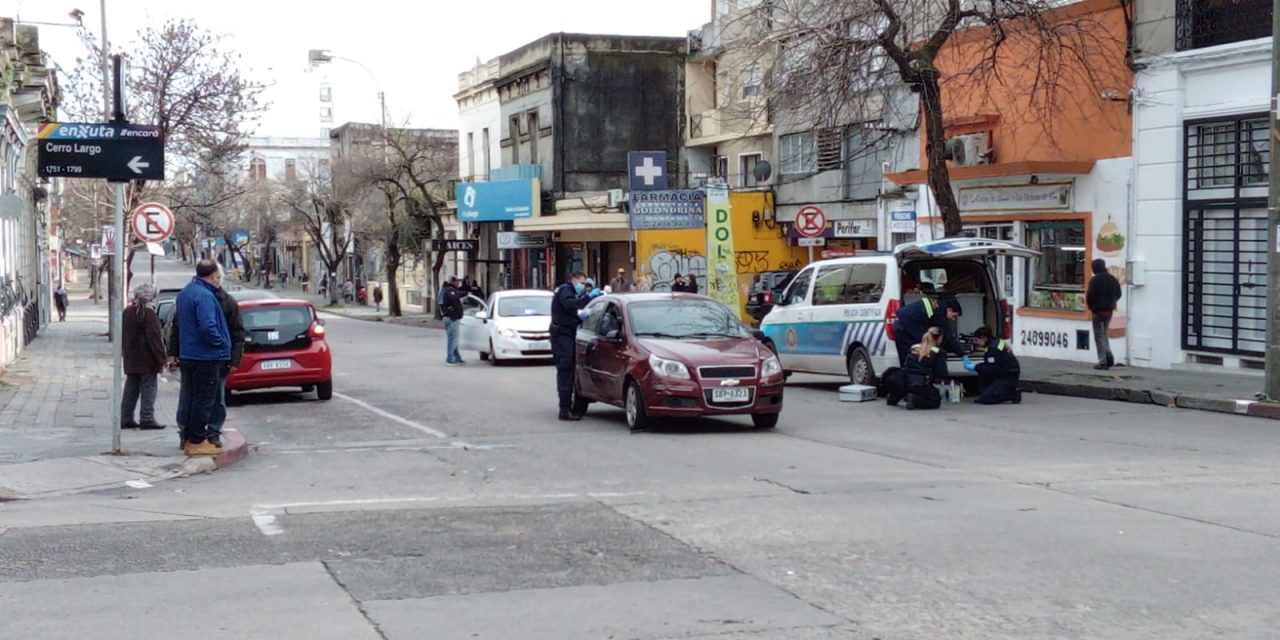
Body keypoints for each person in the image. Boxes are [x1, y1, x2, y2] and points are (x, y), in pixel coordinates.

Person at [171, 259, 231, 456]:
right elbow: (208, 327)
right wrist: (221, 343)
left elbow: (178, 324)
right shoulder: (205, 296)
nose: (219, 281)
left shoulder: (186, 292)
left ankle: (188, 437)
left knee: (189, 398)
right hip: (205, 355)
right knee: (204, 399)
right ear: (213, 276)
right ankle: (197, 440)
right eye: (219, 277)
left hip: (188, 353)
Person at [207, 269, 246, 444]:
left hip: (220, 358)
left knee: (217, 398)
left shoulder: (228, 302)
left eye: (216, 277)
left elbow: (238, 332)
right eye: (210, 277)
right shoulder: (196, 298)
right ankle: (188, 433)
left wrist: (235, 359)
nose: (213, 280)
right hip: (197, 357)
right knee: (193, 397)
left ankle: (214, 432)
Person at [122, 283, 167, 430]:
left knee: (131, 388)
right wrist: (162, 358)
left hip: (131, 358)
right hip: (147, 359)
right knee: (149, 388)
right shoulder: (149, 314)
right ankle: (147, 418)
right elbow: (154, 338)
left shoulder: (128, 312)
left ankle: (125, 417)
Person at [550, 272, 591, 421]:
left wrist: (580, 317)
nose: (582, 286)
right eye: (581, 282)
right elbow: (569, 305)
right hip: (562, 337)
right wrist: (588, 298)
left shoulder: (570, 292)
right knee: (566, 372)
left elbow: (571, 312)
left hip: (566, 336)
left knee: (569, 372)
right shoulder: (565, 290)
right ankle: (564, 410)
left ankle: (569, 406)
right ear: (573, 280)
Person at [884, 327, 948, 410]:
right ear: (939, 338)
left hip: (903, 381)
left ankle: (894, 396)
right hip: (919, 383)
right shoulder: (939, 352)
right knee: (935, 400)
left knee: (906, 388)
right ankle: (915, 399)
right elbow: (942, 372)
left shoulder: (914, 347)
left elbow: (906, 364)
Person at [893, 295, 963, 366]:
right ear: (949, 310)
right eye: (954, 316)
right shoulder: (940, 314)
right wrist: (962, 354)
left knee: (918, 347)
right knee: (920, 347)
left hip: (903, 323)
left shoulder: (937, 304)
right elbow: (949, 336)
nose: (953, 319)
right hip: (905, 326)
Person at [964, 326, 1021, 405]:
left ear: (984, 338)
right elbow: (994, 363)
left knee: (986, 399)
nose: (976, 343)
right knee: (983, 375)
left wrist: (975, 367)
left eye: (977, 340)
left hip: (1006, 375)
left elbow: (991, 369)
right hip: (1009, 371)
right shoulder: (998, 342)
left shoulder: (993, 349)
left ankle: (1011, 394)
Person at [1086, 258, 1122, 370]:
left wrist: (1091, 306)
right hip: (1109, 311)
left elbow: (1090, 296)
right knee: (1104, 334)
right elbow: (1119, 293)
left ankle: (1103, 361)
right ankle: (1109, 355)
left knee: (1098, 336)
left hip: (1098, 311)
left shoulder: (1095, 280)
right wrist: (1112, 302)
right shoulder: (1112, 279)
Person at [441, 276, 466, 365]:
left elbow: (458, 294)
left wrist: (466, 293)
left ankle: (457, 357)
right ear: (452, 282)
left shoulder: (451, 290)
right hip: (452, 318)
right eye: (457, 281)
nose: (459, 283)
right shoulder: (450, 291)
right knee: (453, 339)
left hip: (451, 317)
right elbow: (453, 298)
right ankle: (450, 358)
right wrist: (455, 307)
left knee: (453, 339)